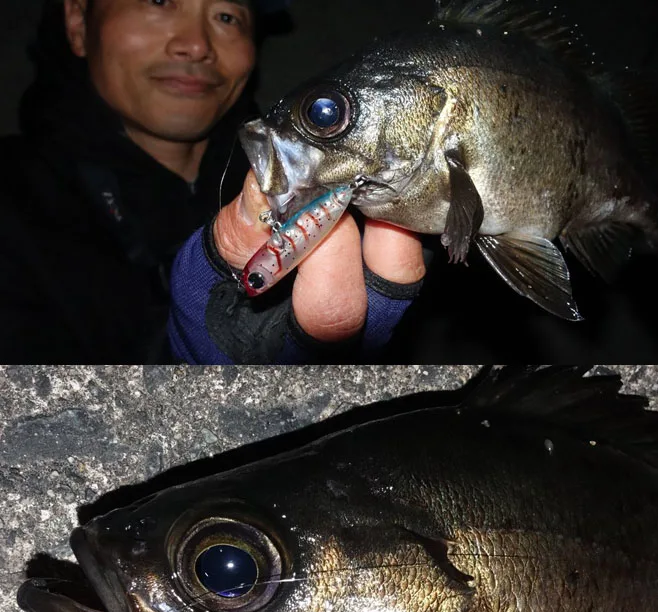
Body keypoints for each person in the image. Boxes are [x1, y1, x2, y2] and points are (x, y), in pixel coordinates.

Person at [0, 0, 424, 364]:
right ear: (78, 21)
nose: (198, 45)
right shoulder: (14, 202)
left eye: (227, 16)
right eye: (159, 0)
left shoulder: (345, 173)